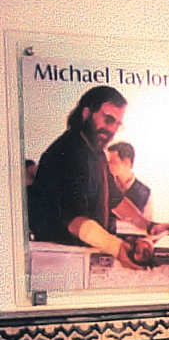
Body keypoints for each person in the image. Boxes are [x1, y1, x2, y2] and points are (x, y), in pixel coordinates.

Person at [28, 86, 152, 268]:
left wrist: (149, 226)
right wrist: (116, 247)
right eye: (108, 120)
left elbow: (115, 200)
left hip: (84, 259)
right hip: (60, 262)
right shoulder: (67, 151)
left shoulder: (96, 152)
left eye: (117, 124)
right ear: (86, 113)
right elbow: (74, 221)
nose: (112, 130)